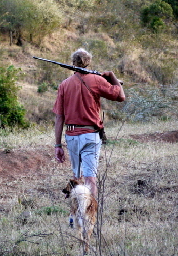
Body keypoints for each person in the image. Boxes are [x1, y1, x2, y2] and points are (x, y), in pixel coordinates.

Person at [53, 48, 125, 199]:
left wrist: (58, 145)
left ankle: (77, 211)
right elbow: (120, 96)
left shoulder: (64, 85)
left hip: (72, 136)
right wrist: (111, 75)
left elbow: (59, 118)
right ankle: (90, 215)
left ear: (73, 63)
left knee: (76, 176)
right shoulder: (97, 80)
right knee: (90, 178)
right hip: (91, 135)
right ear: (88, 62)